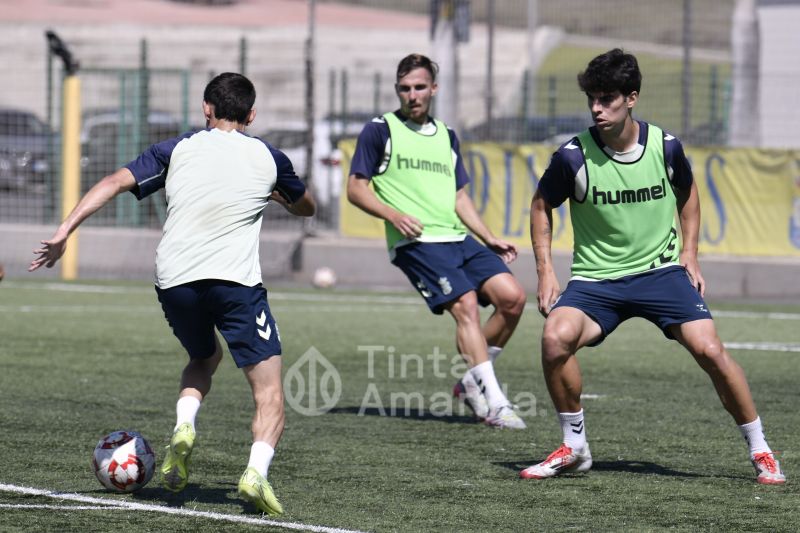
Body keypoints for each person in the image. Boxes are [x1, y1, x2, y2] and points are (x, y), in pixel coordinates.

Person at [29, 72, 316, 513]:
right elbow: (307, 206)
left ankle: (185, 426)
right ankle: (255, 472)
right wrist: (284, 199)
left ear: (206, 108)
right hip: (235, 282)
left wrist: (64, 231)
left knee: (204, 358)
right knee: (269, 390)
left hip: (175, 280)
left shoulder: (176, 148)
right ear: (252, 114)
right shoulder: (269, 156)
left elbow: (111, 182)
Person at [521, 48, 785, 484]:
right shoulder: (572, 156)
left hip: (661, 273)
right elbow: (540, 206)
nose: (596, 108)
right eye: (592, 98)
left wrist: (690, 253)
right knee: (554, 339)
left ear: (632, 98)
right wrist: (546, 271)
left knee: (711, 351)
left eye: (607, 98)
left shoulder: (664, 147)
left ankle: (761, 450)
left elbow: (689, 195)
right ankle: (575, 446)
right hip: (596, 280)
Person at [347, 53, 527, 429]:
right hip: (417, 243)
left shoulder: (446, 136)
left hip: (458, 238)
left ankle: (468, 383)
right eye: (404, 88)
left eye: (419, 87)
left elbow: (460, 197)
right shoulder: (380, 131)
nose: (412, 95)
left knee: (512, 298)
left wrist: (489, 237)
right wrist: (393, 215)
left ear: (434, 89)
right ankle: (494, 402)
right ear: (398, 90)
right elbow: (355, 189)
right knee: (465, 306)